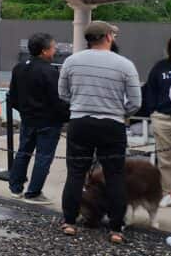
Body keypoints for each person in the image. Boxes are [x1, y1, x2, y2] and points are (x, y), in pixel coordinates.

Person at [58, 21, 141, 244]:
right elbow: (135, 102)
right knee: (115, 175)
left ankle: (69, 221)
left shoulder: (72, 61)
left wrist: (79, 105)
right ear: (107, 37)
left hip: (80, 121)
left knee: (75, 172)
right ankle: (115, 228)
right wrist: (119, 111)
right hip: (112, 124)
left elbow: (63, 94)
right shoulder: (124, 65)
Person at [6, 33, 71, 203]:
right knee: (43, 157)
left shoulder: (19, 67)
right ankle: (33, 192)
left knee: (23, 152)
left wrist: (23, 111)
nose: (55, 50)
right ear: (44, 51)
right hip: (48, 122)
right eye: (53, 47)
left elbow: (13, 96)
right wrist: (66, 116)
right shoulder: (50, 72)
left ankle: (15, 187)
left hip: (27, 118)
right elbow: (57, 100)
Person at [145, 33, 171, 207]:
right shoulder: (161, 67)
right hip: (162, 118)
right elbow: (150, 89)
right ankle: (170, 193)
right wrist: (152, 110)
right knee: (166, 158)